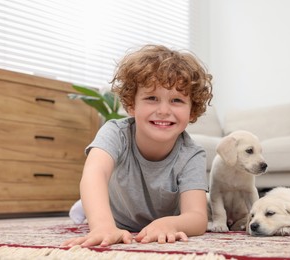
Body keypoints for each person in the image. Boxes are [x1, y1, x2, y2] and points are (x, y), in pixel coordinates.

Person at [62, 44, 213, 247]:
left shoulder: (192, 154)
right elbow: (94, 173)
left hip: (158, 218)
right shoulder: (116, 132)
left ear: (192, 111)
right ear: (132, 104)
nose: (163, 110)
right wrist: (102, 226)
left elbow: (197, 217)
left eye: (176, 100)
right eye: (151, 98)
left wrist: (170, 223)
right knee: (94, 199)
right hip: (119, 216)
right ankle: (87, 207)